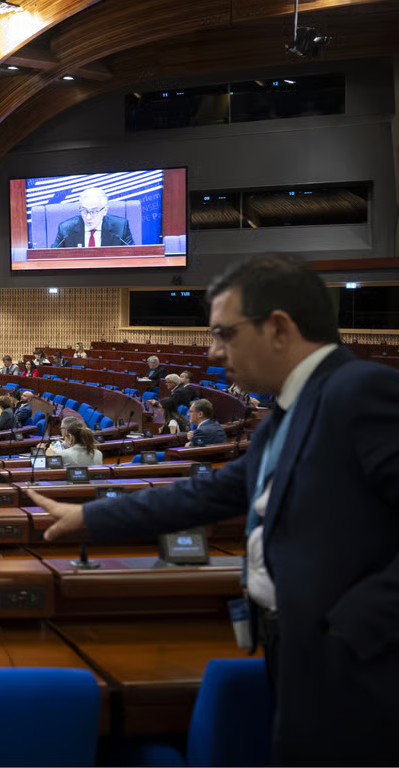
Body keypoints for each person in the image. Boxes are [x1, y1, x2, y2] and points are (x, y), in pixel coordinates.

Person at [29, 252, 399, 765]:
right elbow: (211, 493)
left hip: (352, 661)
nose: (213, 351)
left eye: (225, 334)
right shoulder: (288, 411)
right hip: (289, 645)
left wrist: (351, 627)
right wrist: (88, 516)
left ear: (279, 328)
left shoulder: (362, 392)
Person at [50, 187, 135, 248]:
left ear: (105, 211)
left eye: (94, 212)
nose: (88, 217)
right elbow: (53, 257)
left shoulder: (120, 228)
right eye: (84, 211)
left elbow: (132, 256)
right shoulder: (66, 229)